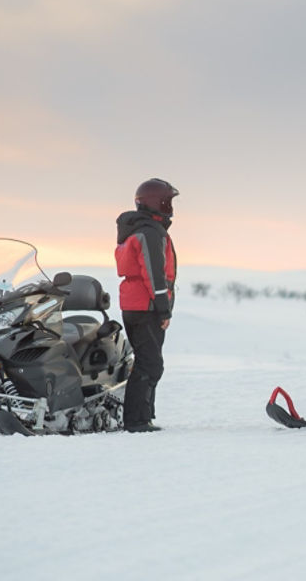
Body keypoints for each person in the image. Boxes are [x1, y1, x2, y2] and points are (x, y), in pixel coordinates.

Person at [115, 178, 179, 433]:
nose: (170, 207)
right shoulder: (150, 233)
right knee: (150, 363)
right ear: (157, 203)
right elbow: (154, 274)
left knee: (146, 361)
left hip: (136, 304)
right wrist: (164, 309)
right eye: (167, 201)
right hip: (146, 306)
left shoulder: (136, 229)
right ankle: (136, 420)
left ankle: (144, 415)